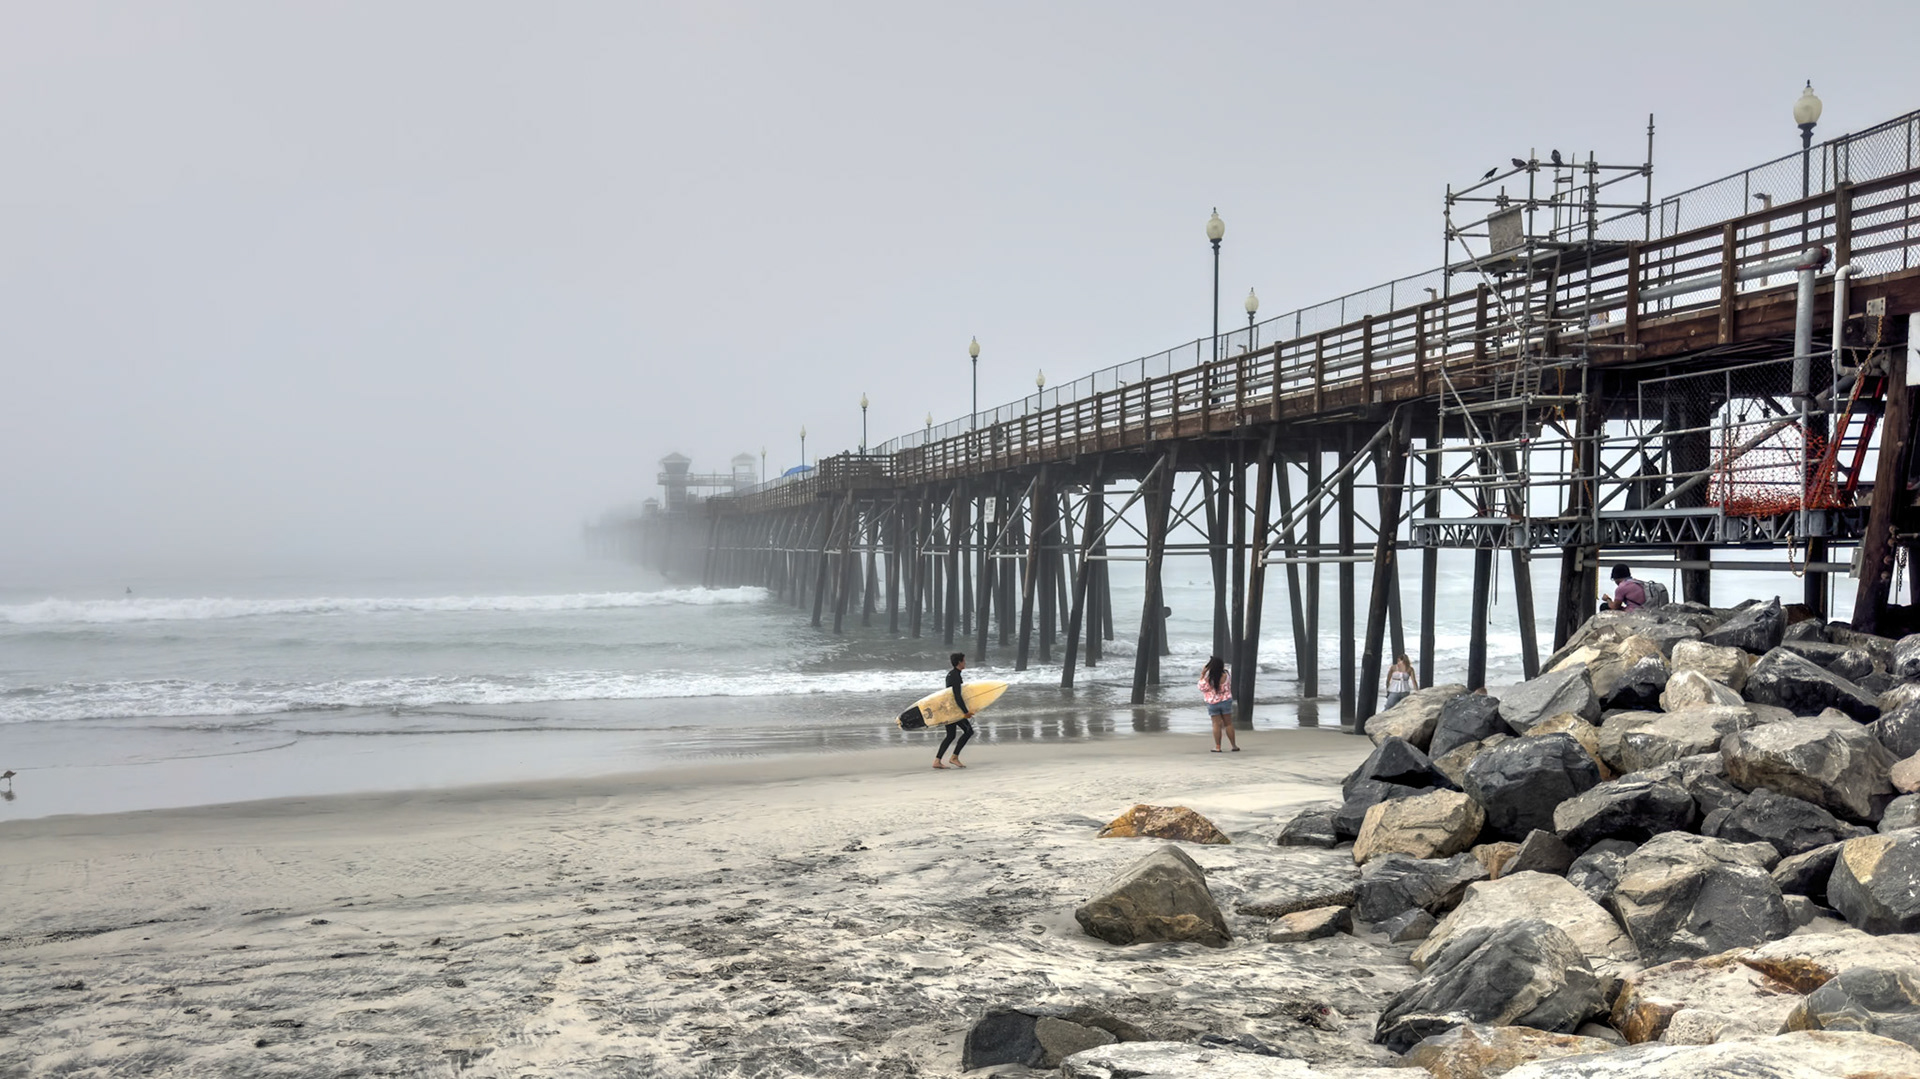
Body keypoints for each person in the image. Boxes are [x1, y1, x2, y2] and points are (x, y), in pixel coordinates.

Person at [933, 652, 974, 769]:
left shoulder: (952, 674)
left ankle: (937, 761)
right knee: (968, 731)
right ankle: (954, 757)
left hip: (948, 709)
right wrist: (965, 712)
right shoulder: (955, 676)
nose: (965, 663)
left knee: (951, 735)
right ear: (959, 662)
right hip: (953, 710)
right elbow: (957, 696)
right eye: (964, 661)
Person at [1199, 656, 1240, 752]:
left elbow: (1202, 687)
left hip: (1213, 703)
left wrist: (1203, 673)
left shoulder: (1209, 678)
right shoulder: (1227, 674)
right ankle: (1233, 745)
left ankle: (1218, 747)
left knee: (1216, 724)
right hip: (1226, 701)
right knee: (1228, 724)